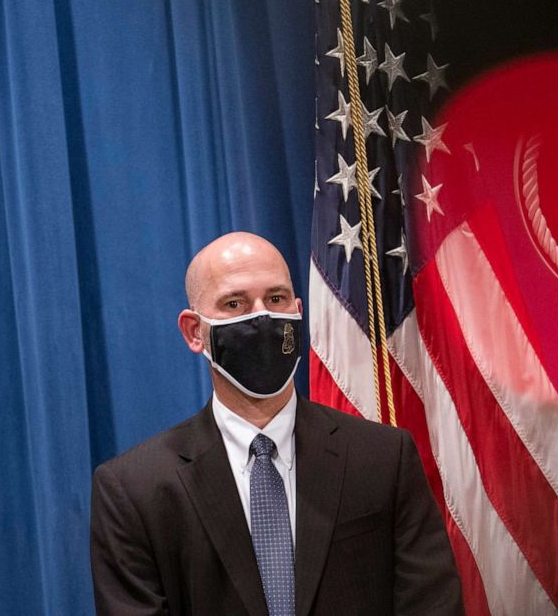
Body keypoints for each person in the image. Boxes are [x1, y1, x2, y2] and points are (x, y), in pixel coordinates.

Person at [90, 232, 462, 615]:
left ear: (298, 312)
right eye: (234, 304)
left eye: (276, 299)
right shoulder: (135, 491)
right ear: (194, 331)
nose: (262, 316)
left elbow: (432, 605)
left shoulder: (383, 459)